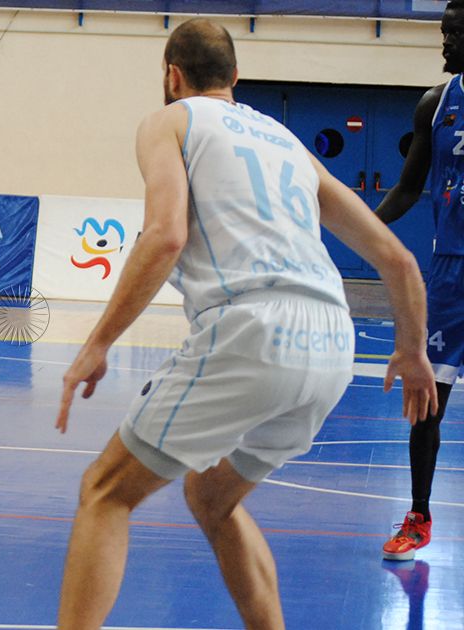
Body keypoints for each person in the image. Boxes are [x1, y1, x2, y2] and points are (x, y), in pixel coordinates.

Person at [54, 19, 437, 630]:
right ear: (235, 78)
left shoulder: (170, 121)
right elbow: (399, 260)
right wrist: (412, 352)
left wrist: (96, 345)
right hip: (332, 342)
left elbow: (166, 234)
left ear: (171, 76)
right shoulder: (287, 141)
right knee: (212, 497)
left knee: (105, 492)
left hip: (252, 325)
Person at [373, 0, 464, 561]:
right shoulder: (437, 103)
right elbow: (408, 190)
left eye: (454, 32)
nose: (445, 42)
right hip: (450, 275)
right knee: (425, 398)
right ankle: (418, 516)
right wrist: (357, 227)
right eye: (444, 31)